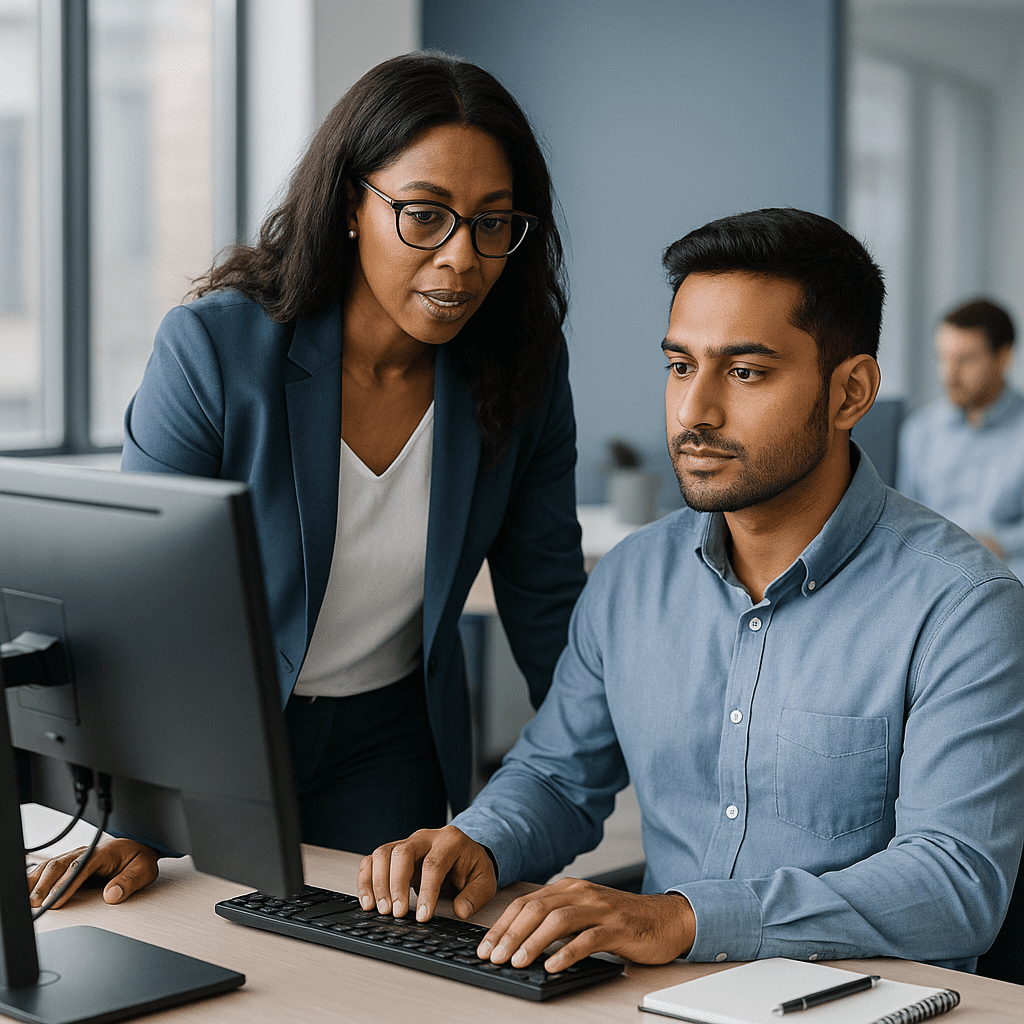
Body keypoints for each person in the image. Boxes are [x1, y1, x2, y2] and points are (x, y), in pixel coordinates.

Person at [359, 209, 1024, 976]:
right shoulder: (632, 577)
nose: (693, 412)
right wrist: (479, 841)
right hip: (654, 995)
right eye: (680, 366)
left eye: (745, 372)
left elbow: (955, 883)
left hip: (858, 1001)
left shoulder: (964, 606)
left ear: (850, 393)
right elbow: (557, 775)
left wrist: (684, 918)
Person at [27, 51, 586, 908]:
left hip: (388, 745)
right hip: (221, 738)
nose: (461, 260)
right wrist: (126, 814)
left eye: (493, 224)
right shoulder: (216, 350)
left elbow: (548, 605)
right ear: (352, 205)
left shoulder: (523, 371)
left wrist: (572, 789)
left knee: (368, 974)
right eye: (425, 216)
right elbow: (138, 609)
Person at [898, 298, 1024, 577]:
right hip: (935, 577)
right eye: (943, 358)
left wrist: (1001, 542)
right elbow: (904, 521)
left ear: (1003, 357)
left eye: (965, 360)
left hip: (1008, 575)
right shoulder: (919, 432)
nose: (949, 374)